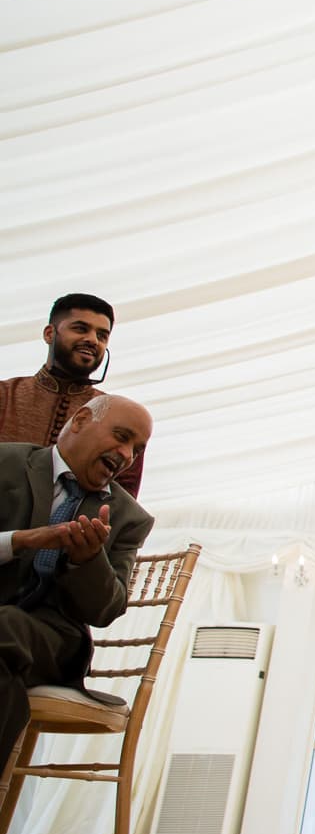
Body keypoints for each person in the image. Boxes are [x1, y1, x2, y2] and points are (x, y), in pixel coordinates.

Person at [0, 395, 154, 769]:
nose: (127, 454)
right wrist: (21, 540)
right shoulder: (6, 463)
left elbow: (108, 610)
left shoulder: (128, 517)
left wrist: (89, 559)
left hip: (53, 638)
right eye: (121, 436)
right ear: (82, 420)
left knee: (5, 625)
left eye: (136, 448)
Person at [0, 295, 144, 497]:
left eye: (102, 335)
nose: (93, 340)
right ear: (50, 333)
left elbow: (120, 505)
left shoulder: (117, 418)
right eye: (81, 329)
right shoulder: (5, 396)